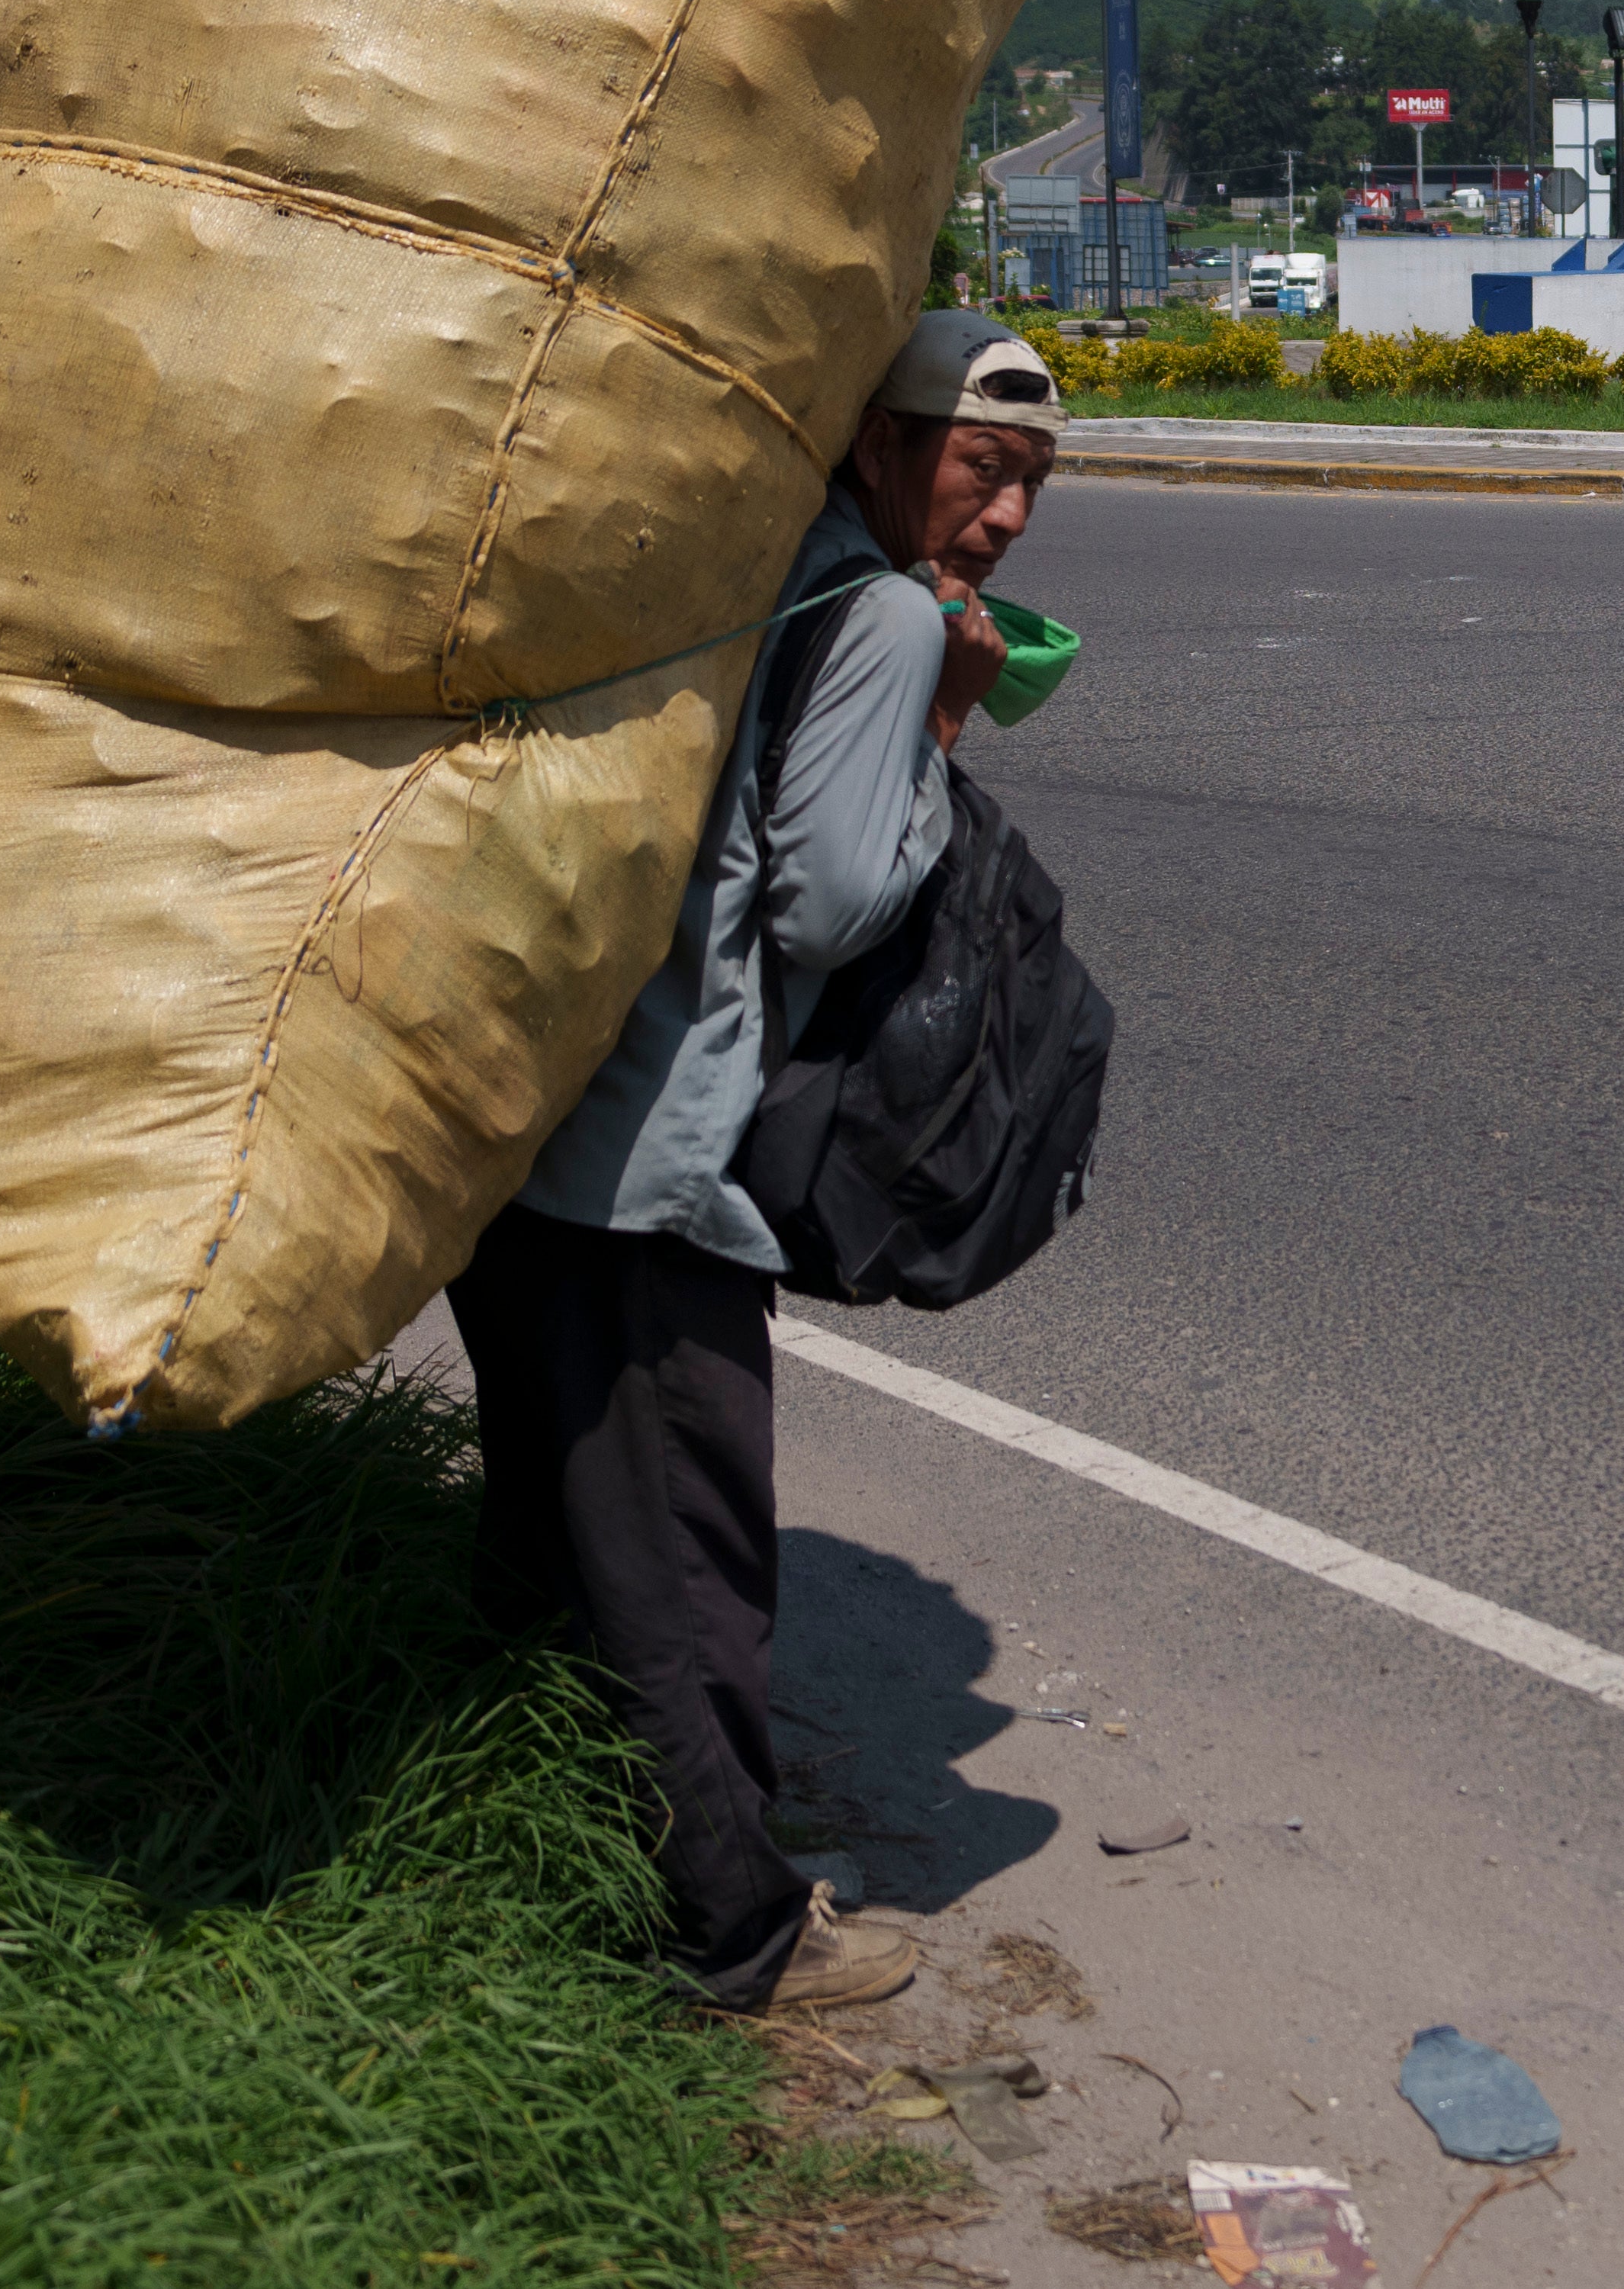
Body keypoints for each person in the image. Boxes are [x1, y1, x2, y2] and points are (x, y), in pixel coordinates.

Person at [449, 307, 1069, 2014]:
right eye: (982, 464)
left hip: (522, 1132)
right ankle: (727, 1930)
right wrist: (939, 723)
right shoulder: (873, 607)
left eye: (1032, 484)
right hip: (646, 1169)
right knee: (686, 1572)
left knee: (556, 1535)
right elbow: (829, 895)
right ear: (880, 441)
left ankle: (508, 1835)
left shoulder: (749, 560)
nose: (1008, 514)